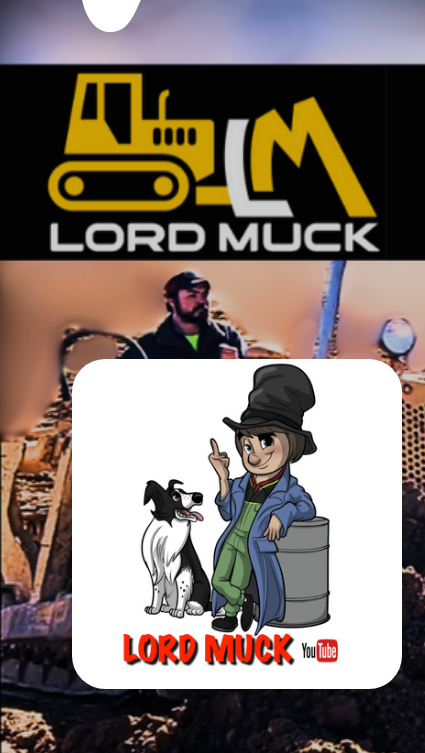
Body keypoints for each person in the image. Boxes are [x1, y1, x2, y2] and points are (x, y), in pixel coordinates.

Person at [207, 364, 319, 633]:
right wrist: (223, 477)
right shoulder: (241, 484)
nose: (254, 456)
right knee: (219, 579)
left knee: (239, 578)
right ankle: (240, 600)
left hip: (254, 544)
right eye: (248, 446)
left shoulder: (288, 488)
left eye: (267, 442)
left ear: (291, 445)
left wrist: (282, 515)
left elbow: (307, 507)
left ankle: (231, 615)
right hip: (233, 537)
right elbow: (227, 512)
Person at [124, 271, 247, 359]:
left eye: (204, 295)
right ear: (172, 301)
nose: (202, 301)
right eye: (192, 295)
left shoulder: (228, 336)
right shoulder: (148, 347)